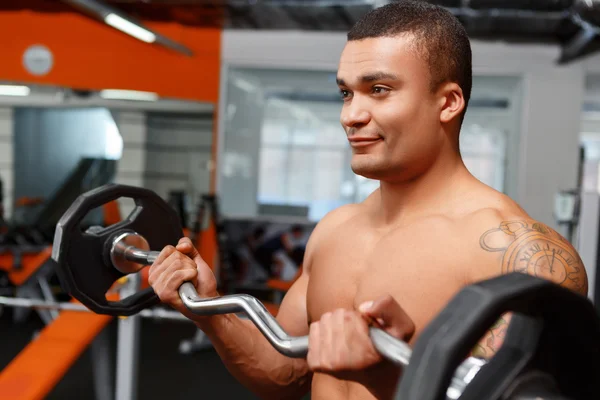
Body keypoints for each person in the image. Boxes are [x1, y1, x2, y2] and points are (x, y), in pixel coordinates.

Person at [148, 1, 589, 399]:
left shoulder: (521, 257)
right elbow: (284, 373)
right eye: (346, 92)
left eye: (379, 89)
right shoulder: (336, 230)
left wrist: (385, 375)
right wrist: (208, 307)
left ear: (449, 102)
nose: (350, 115)